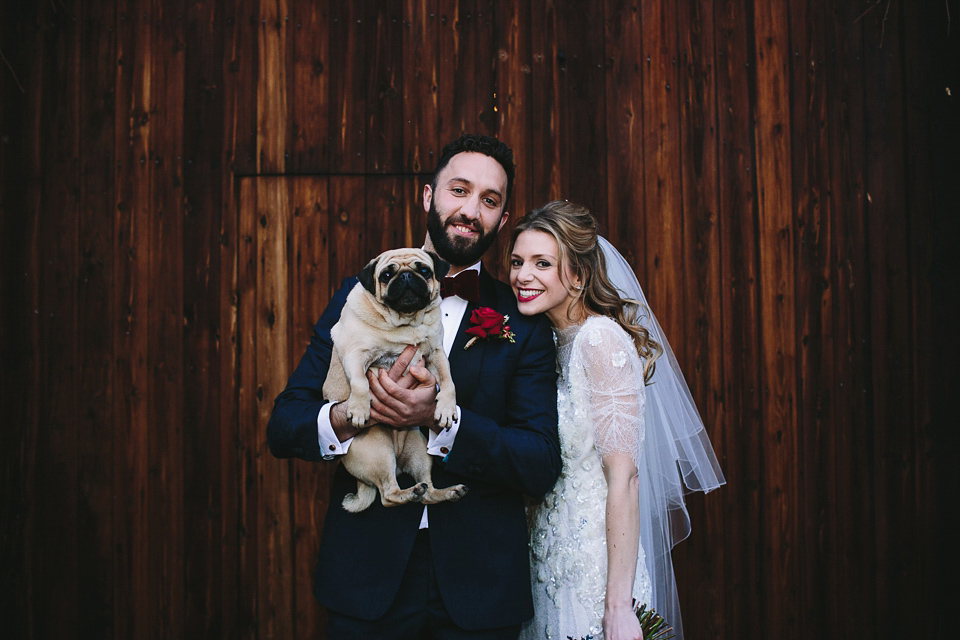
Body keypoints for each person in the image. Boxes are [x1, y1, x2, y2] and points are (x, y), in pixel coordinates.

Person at [266, 134, 562, 640]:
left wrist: (438, 421)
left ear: (501, 221)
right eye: (459, 190)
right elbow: (285, 423)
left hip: (481, 590)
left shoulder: (523, 321)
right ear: (428, 197)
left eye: (489, 201)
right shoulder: (355, 297)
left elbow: (539, 463)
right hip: (366, 582)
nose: (471, 210)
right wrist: (348, 414)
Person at [508, 201, 725, 640]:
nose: (521, 276)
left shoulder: (601, 340)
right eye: (516, 262)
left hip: (595, 570)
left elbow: (624, 477)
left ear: (578, 275)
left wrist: (618, 605)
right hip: (547, 561)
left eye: (541, 263)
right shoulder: (547, 342)